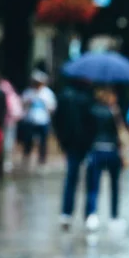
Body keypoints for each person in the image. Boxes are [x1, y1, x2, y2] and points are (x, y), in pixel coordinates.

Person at [84, 87, 127, 232]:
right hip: (112, 151)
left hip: (96, 150)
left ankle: (92, 214)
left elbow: (88, 132)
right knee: (114, 186)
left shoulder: (92, 111)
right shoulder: (113, 112)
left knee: (93, 185)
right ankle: (114, 216)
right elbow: (120, 134)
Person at [53, 80, 93, 230]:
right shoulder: (88, 98)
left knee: (71, 178)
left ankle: (66, 213)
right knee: (89, 181)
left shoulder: (64, 97)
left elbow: (57, 121)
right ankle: (88, 214)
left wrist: (63, 142)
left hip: (71, 145)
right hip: (85, 145)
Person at [20, 70, 57, 170]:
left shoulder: (48, 93)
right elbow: (22, 104)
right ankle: (26, 156)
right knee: (28, 140)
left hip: (43, 120)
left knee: (43, 141)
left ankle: (42, 159)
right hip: (30, 120)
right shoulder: (28, 92)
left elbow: (52, 107)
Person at [0, 72, 23, 173]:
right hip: (9, 121)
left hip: (6, 121)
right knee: (8, 142)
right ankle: (6, 163)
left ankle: (5, 163)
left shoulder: (2, 90)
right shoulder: (11, 92)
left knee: (6, 142)